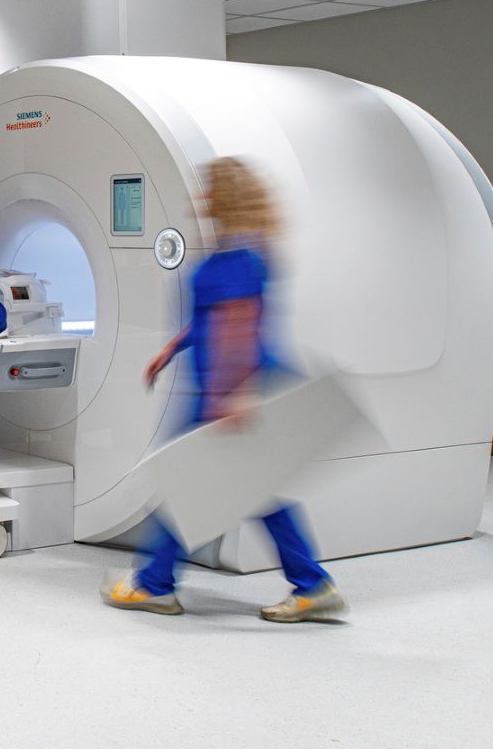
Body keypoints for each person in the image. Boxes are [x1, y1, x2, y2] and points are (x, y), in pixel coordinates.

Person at [103, 156, 347, 624]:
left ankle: (155, 584)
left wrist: (225, 397)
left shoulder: (237, 256)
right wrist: (173, 348)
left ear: (224, 196)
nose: (201, 198)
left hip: (230, 390)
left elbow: (239, 325)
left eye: (208, 189)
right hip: (240, 387)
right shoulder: (242, 251)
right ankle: (313, 585)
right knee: (258, 492)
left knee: (187, 483)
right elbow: (212, 318)